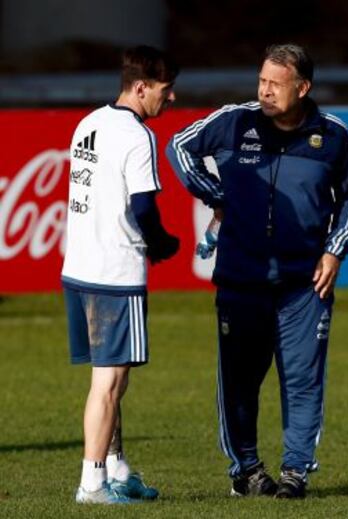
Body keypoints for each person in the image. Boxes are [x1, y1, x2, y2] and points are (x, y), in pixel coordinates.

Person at [167, 43, 348, 499]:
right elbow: (179, 147)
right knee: (239, 382)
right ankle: (247, 470)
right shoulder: (234, 121)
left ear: (303, 87)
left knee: (302, 379)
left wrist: (335, 250)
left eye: (275, 84)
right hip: (241, 279)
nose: (265, 91)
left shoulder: (332, 134)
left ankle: (296, 471)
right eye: (261, 81)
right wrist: (216, 195)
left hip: (304, 286)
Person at [61, 45, 180, 505]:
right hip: (115, 271)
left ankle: (116, 468)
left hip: (79, 267)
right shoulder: (137, 136)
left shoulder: (88, 122)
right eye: (166, 91)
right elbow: (143, 206)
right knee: (108, 384)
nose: (169, 100)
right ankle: (92, 483)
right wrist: (163, 243)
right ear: (142, 87)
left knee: (114, 377)